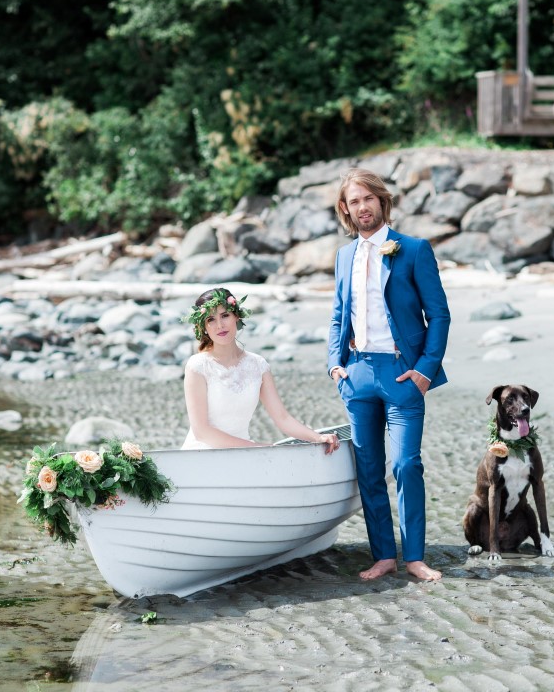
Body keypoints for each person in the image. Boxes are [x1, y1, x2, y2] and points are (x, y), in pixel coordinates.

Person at [327, 168, 451, 582]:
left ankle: (414, 556)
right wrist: (335, 365)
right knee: (368, 468)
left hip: (402, 373)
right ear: (346, 209)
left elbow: (439, 314)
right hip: (357, 374)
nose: (362, 207)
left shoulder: (413, 250)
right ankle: (383, 555)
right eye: (354, 201)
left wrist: (424, 371)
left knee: (406, 464)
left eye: (368, 199)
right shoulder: (345, 256)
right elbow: (338, 316)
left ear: (382, 201)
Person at [181, 287, 340, 454]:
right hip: (202, 456)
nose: (219, 325)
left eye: (225, 315)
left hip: (245, 454)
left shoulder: (258, 364)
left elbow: (282, 417)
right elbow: (202, 432)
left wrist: (318, 437)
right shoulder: (198, 366)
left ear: (236, 316)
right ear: (203, 327)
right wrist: (258, 447)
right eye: (211, 319)